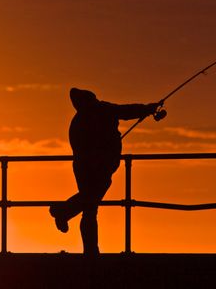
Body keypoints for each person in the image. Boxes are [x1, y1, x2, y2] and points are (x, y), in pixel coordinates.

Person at [49, 88, 162, 255]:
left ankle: (83, 240)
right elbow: (125, 111)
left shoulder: (78, 121)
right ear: (92, 99)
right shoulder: (102, 109)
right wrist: (147, 108)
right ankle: (64, 213)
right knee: (90, 205)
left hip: (84, 167)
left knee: (89, 205)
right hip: (99, 167)